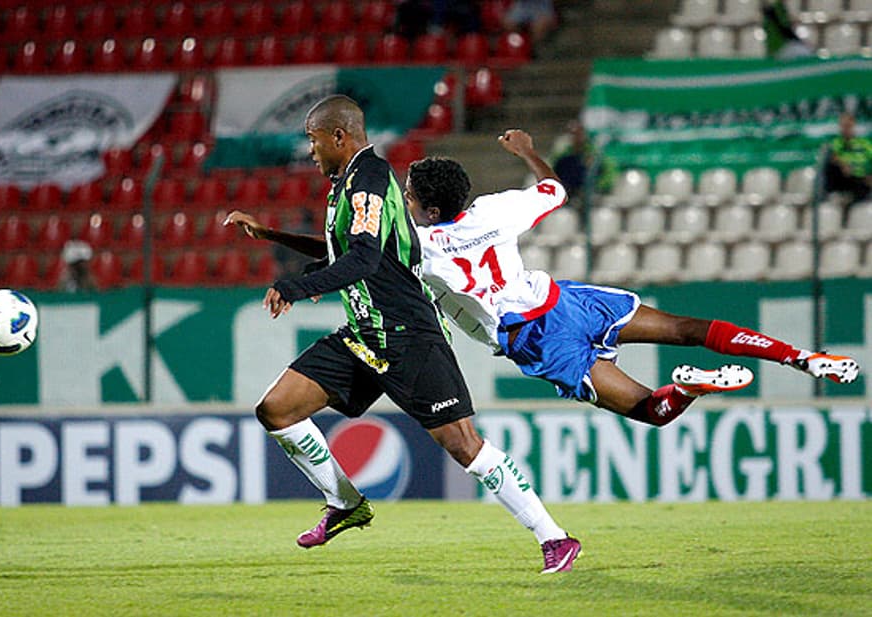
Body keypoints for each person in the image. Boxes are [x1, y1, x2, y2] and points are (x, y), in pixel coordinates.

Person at [223, 96, 581, 574]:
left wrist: (296, 286)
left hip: (409, 337)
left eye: (312, 139)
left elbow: (364, 259)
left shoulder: (368, 180)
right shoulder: (347, 183)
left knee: (464, 447)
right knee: (278, 408)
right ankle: (346, 504)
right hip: (364, 335)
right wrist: (269, 234)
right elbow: (345, 249)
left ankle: (554, 538)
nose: (309, 150)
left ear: (338, 136)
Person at [404, 129, 860, 427]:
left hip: (533, 336)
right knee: (687, 328)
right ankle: (801, 357)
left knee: (652, 409)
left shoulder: (420, 249)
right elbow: (555, 188)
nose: (406, 203)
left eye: (409, 197)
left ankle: (687, 389)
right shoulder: (496, 209)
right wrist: (527, 152)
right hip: (564, 300)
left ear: (432, 210)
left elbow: (366, 260)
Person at [548, 119, 616, 199]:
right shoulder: (562, 155)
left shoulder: (596, 153)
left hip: (594, 195)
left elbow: (610, 175)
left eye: (579, 134)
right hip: (568, 196)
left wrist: (597, 187)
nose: (576, 138)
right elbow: (551, 173)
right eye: (573, 134)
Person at [823, 111, 872, 205]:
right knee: (830, 165)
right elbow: (833, 157)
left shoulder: (865, 144)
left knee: (862, 181)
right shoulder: (835, 143)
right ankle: (834, 195)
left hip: (861, 180)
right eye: (843, 126)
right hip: (843, 180)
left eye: (848, 126)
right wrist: (842, 164)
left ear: (853, 125)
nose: (845, 129)